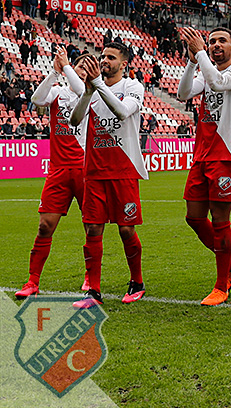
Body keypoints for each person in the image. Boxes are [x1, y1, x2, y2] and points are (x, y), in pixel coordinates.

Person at [177, 27, 231, 306]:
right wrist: (191, 60)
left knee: (220, 220)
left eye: (222, 41)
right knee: (194, 217)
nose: (215, 45)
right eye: (211, 41)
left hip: (226, 153)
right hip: (202, 153)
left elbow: (219, 82)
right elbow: (182, 92)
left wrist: (199, 53)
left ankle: (222, 285)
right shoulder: (206, 70)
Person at [69, 43, 148, 308]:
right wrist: (88, 91)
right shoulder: (92, 88)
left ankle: (137, 282)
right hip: (94, 170)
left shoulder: (133, 87)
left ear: (123, 64)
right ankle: (93, 291)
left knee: (126, 230)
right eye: (102, 56)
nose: (105, 60)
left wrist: (97, 86)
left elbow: (123, 112)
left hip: (123, 169)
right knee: (92, 228)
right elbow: (74, 120)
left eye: (111, 58)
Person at [15, 48, 89, 298]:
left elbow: (81, 90)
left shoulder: (93, 95)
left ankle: (91, 277)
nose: (86, 71)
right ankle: (32, 282)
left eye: (91, 68)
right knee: (45, 226)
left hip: (86, 169)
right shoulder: (58, 92)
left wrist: (67, 67)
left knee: (91, 227)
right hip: (58, 170)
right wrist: (54, 72)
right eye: (82, 66)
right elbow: (37, 100)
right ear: (74, 69)